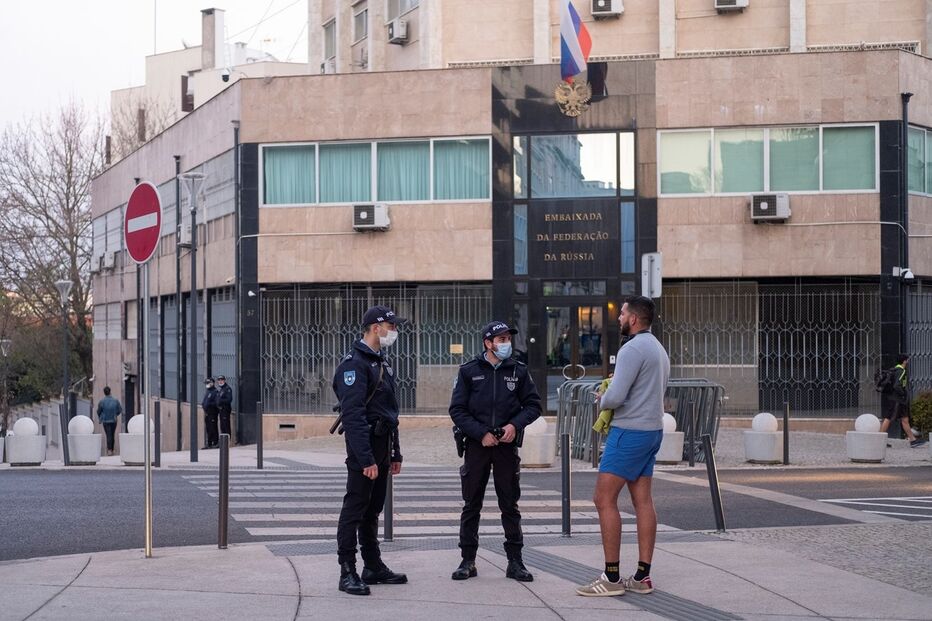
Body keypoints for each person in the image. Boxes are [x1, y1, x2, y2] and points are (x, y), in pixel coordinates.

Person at [577, 296, 669, 597]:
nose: (619, 318)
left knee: (603, 499)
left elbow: (615, 397)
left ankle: (611, 578)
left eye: (623, 313)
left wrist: (601, 398)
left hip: (629, 431)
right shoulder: (657, 348)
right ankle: (642, 577)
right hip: (652, 430)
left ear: (634, 319)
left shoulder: (631, 349)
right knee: (643, 500)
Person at [449, 321, 542, 583]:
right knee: (471, 505)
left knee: (509, 504)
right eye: (500, 339)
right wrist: (481, 433)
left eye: (507, 339)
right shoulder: (469, 371)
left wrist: (514, 425)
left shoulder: (519, 371)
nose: (505, 344)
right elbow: (457, 410)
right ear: (488, 343)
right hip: (478, 446)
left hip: (506, 447)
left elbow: (533, 405)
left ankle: (515, 561)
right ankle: (468, 561)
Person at [332, 305, 407, 596]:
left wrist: (395, 453)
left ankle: (373, 565)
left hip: (382, 443)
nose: (395, 330)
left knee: (373, 509)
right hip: (364, 445)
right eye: (392, 325)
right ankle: (347, 570)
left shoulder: (381, 363)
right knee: (355, 508)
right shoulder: (355, 365)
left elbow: (390, 412)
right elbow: (353, 416)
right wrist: (365, 458)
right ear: (376, 328)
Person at [880, 355, 927, 448]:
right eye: (907, 360)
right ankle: (879, 440)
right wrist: (903, 394)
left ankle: (913, 440)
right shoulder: (901, 371)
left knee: (904, 419)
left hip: (896, 399)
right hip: (897, 400)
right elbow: (897, 385)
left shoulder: (894, 370)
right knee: (889, 418)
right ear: (904, 361)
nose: (908, 362)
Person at [96, 386, 122, 456]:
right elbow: (119, 410)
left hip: (105, 420)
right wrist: (115, 414)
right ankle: (112, 449)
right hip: (114, 420)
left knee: (108, 435)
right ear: (110, 391)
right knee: (112, 434)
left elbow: (98, 411)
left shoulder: (102, 402)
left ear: (104, 393)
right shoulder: (115, 400)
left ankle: (109, 450)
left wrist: (100, 416)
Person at [202, 378, 219, 449]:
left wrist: (209, 405)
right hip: (207, 413)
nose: (207, 384)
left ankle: (215, 442)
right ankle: (209, 443)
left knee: (213, 427)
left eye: (208, 383)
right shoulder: (208, 391)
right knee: (208, 428)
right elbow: (204, 401)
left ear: (212, 383)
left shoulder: (215, 392)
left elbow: (216, 403)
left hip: (213, 412)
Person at [216, 375, 233, 442]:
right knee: (222, 426)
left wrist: (220, 401)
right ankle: (223, 442)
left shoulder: (227, 389)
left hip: (225, 409)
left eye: (222, 380)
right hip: (221, 410)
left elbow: (229, 399)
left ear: (224, 380)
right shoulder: (221, 389)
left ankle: (227, 441)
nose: (220, 381)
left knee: (226, 425)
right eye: (219, 380)